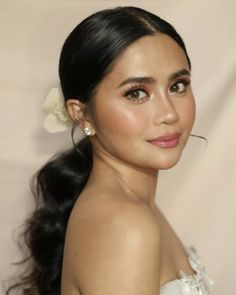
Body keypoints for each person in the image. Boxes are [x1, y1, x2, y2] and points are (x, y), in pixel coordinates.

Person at [5, 6, 215, 295]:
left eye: (178, 86)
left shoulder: (131, 209)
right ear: (82, 114)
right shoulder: (125, 225)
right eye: (136, 93)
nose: (169, 114)